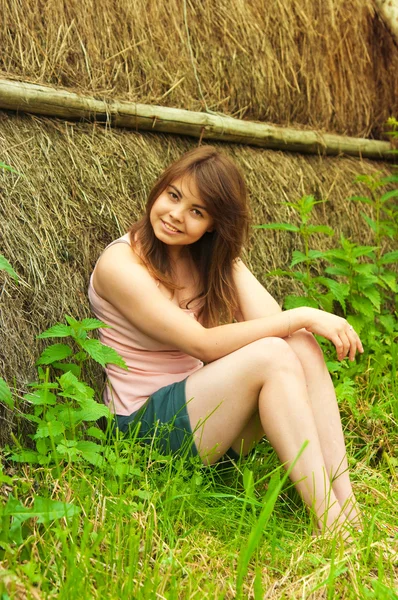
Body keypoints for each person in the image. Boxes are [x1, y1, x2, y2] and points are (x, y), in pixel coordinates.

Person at [88, 145, 363, 537]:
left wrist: (225, 258)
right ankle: (331, 525)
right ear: (160, 188)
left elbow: (274, 324)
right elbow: (202, 344)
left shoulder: (202, 259)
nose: (176, 215)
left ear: (213, 224)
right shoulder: (121, 265)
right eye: (174, 195)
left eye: (197, 212)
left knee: (299, 345)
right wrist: (304, 312)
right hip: (142, 435)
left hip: (203, 424)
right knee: (273, 352)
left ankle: (347, 510)